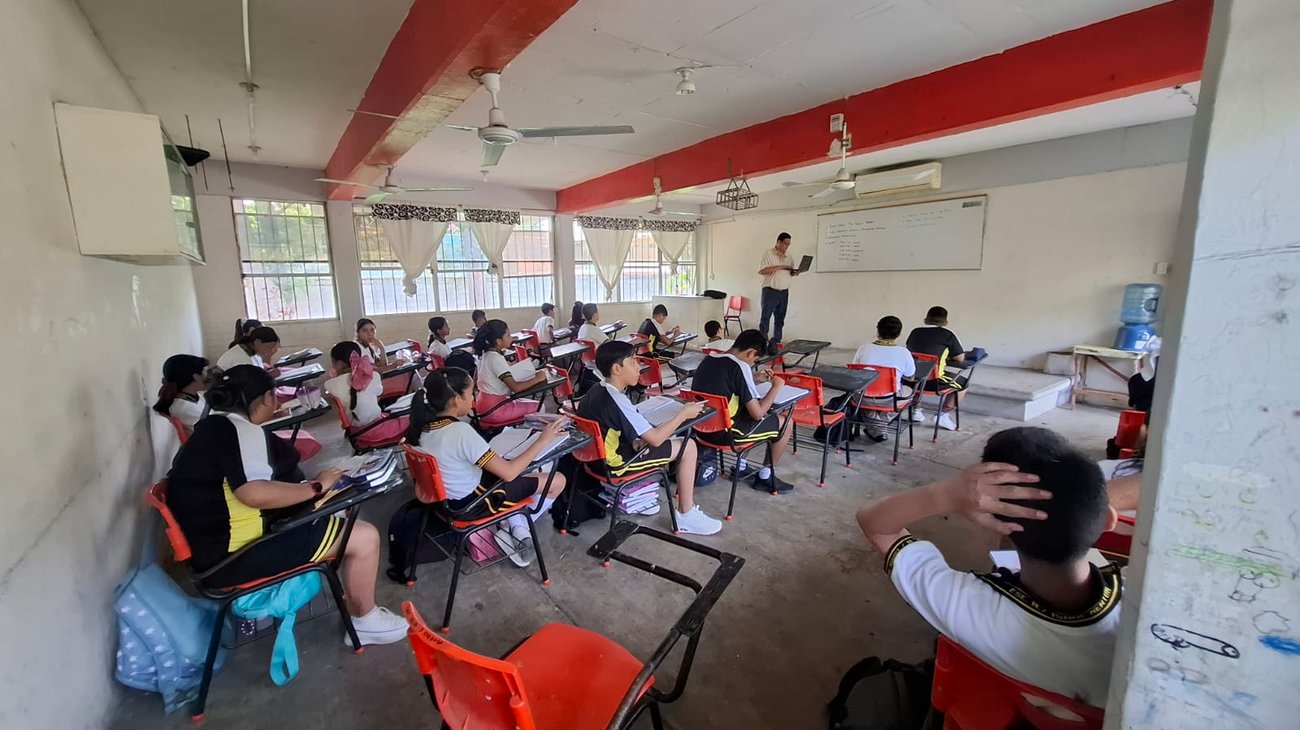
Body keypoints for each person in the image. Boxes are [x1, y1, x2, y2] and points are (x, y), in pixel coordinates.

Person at [855, 427, 1119, 707]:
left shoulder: (969, 607)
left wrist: (946, 494)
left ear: (997, 526)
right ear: (1109, 521)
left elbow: (875, 525)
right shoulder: (1141, 610)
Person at [166, 365, 408, 646]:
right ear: (269, 398)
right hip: (236, 556)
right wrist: (315, 487)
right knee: (364, 536)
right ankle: (365, 620)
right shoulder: (243, 432)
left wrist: (313, 489)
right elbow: (253, 493)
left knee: (335, 510)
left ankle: (354, 596)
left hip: (212, 548)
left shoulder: (212, 426)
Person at [405, 368, 568, 566]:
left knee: (529, 470)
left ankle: (515, 526)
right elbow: (508, 474)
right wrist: (543, 440)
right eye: (471, 393)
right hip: (475, 503)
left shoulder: (419, 428)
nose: (473, 400)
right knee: (557, 480)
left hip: (444, 502)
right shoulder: (459, 431)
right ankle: (519, 530)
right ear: (456, 399)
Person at [579, 341, 721, 535]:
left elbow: (613, 430)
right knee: (689, 447)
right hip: (615, 464)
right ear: (617, 369)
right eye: (633, 362)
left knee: (661, 433)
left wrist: (639, 440)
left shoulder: (597, 390)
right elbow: (655, 439)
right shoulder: (617, 399)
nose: (640, 366)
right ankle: (686, 514)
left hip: (595, 459)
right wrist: (683, 414)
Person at [690, 329, 794, 493]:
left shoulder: (709, 359)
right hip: (726, 434)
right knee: (785, 422)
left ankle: (741, 466)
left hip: (699, 429)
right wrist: (776, 387)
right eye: (755, 359)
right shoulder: (740, 367)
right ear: (751, 352)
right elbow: (758, 413)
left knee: (747, 415)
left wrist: (753, 379)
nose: (753, 364)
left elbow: (726, 382)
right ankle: (766, 476)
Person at [322, 342, 409, 445]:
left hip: (356, 431)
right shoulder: (373, 376)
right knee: (415, 417)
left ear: (338, 363)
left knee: (395, 414)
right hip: (376, 430)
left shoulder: (329, 385)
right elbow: (379, 392)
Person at [851, 316, 917, 442]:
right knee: (910, 392)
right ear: (899, 334)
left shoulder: (864, 348)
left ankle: (875, 428)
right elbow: (910, 375)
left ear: (878, 330)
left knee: (864, 397)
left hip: (863, 398)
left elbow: (854, 371)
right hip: (890, 399)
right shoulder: (903, 352)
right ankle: (879, 427)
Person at [473, 319, 545, 427]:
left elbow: (475, 381)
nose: (511, 338)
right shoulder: (496, 358)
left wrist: (506, 368)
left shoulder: (485, 354)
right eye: (508, 335)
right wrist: (538, 378)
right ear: (498, 341)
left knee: (524, 402)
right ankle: (529, 437)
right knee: (540, 406)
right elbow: (516, 388)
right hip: (495, 409)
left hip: (482, 405)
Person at [905, 306, 967, 430]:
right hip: (934, 383)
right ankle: (942, 415)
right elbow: (960, 358)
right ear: (945, 322)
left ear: (925, 320)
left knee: (921, 370)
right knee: (964, 383)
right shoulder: (947, 335)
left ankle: (916, 411)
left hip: (911, 381)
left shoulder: (915, 332)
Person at [757, 232, 800, 352]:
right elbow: (762, 270)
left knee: (780, 319)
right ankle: (762, 344)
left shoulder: (789, 257)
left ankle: (776, 343)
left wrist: (795, 272)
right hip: (770, 291)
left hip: (784, 292)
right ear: (779, 242)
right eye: (785, 243)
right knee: (765, 318)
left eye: (788, 244)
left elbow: (789, 272)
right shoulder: (768, 253)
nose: (787, 246)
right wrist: (780, 266)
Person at [153, 354, 210, 429]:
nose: (208, 375)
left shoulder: (193, 397)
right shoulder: (185, 408)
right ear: (195, 377)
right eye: (204, 371)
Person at [575, 303, 610, 395]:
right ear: (594, 314)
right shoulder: (593, 329)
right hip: (598, 362)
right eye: (597, 312)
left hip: (587, 362)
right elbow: (609, 344)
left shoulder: (583, 327)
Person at [217, 325, 282, 375]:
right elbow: (252, 383)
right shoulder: (242, 357)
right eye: (269, 347)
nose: (271, 350)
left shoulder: (248, 349)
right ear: (258, 342)